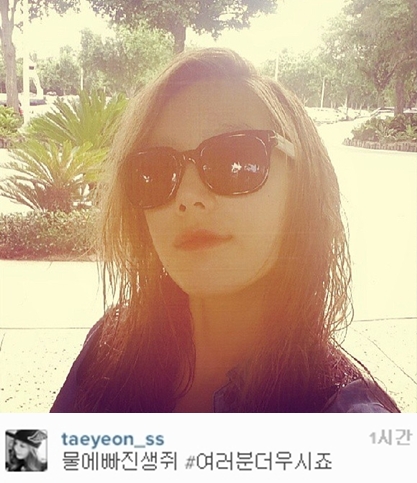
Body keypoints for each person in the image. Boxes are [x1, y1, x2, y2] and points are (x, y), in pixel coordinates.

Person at [51, 48, 399, 413]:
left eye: (236, 158)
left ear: (302, 186)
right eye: (155, 169)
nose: (187, 197)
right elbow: (33, 452)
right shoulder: (109, 344)